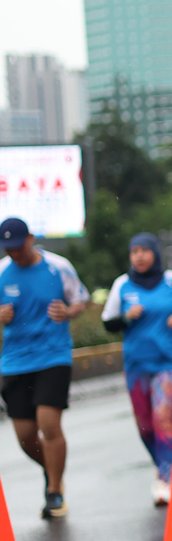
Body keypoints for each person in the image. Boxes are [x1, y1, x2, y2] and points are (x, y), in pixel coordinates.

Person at [102, 235, 172, 504]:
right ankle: (170, 464)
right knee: (145, 426)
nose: (139, 256)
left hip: (168, 362)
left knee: (162, 418)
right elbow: (108, 322)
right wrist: (126, 317)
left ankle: (166, 477)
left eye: (145, 250)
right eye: (134, 251)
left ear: (155, 253)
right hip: (136, 366)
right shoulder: (122, 285)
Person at [0, 216, 89, 519]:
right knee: (25, 436)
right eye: (8, 248)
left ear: (31, 239)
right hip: (15, 361)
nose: (15, 253)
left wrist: (68, 311)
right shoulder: (2, 272)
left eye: (18, 246)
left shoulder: (58, 267)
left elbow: (80, 301)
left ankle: (54, 492)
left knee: (49, 423)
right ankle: (52, 469)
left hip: (53, 356)